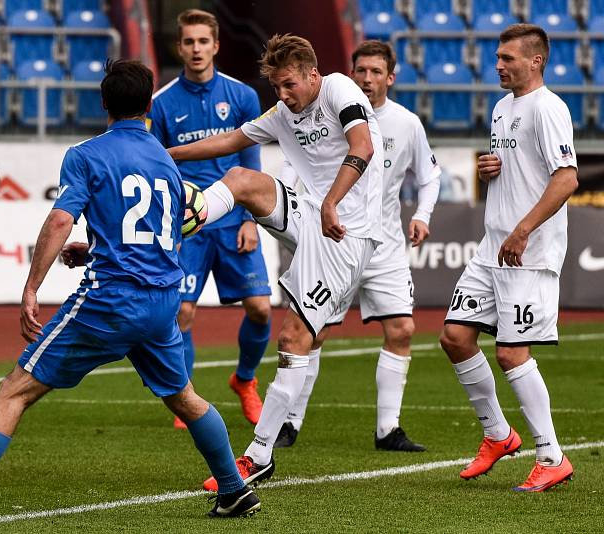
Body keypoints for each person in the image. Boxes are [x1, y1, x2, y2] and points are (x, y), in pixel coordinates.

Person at [0, 59, 260, 523]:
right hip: (161, 300)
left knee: (16, 389)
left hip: (110, 300)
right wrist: (96, 250)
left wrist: (30, 288)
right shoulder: (165, 160)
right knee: (184, 397)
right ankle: (233, 489)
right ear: (149, 105)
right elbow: (166, 229)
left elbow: (61, 219)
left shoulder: (86, 155)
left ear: (103, 103)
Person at [167, 33, 384, 489]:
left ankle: (260, 453)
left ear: (312, 73)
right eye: (276, 88)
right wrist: (164, 154)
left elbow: (361, 145)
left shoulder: (340, 88)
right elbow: (229, 140)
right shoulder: (284, 111)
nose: (283, 96)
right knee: (243, 177)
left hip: (346, 234)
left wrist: (331, 202)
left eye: (289, 85)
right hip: (311, 215)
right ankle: (192, 218)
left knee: (293, 337)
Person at [274, 40, 440, 452]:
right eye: (360, 70)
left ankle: (388, 429)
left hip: (383, 246)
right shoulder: (325, 113)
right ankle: (289, 422)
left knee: (401, 329)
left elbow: (430, 176)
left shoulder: (406, 123)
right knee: (315, 331)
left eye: (376, 71)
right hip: (335, 241)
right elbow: (301, 173)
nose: (367, 78)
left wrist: (423, 215)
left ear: (390, 77)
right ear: (350, 73)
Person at [439, 24, 577, 492]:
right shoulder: (501, 108)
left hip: (528, 250)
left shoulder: (549, 107)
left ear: (535, 60)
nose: (498, 65)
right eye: (497, 58)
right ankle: (498, 435)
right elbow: (520, 167)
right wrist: (490, 167)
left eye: (507, 58)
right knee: (455, 336)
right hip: (492, 244)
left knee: (510, 351)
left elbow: (566, 179)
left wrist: (522, 231)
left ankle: (552, 455)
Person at [147, 9, 272, 429]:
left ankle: (246, 380)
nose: (196, 49)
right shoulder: (161, 103)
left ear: (216, 45)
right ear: (178, 46)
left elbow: (251, 160)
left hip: (235, 218)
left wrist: (251, 219)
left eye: (204, 41)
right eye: (189, 42)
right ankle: (187, 397)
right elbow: (158, 164)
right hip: (186, 227)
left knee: (258, 308)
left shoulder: (242, 97)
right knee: (181, 313)